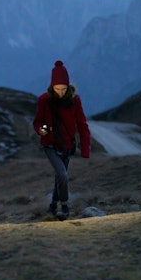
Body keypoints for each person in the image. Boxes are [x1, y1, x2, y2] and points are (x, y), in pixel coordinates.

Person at [32, 60, 91, 220]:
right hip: (50, 145)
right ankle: (65, 207)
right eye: (57, 89)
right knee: (63, 175)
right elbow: (37, 122)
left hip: (67, 145)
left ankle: (52, 206)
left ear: (68, 86)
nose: (60, 92)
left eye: (64, 89)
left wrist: (85, 150)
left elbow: (82, 125)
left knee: (60, 177)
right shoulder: (44, 100)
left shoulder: (75, 100)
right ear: (52, 87)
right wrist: (42, 130)